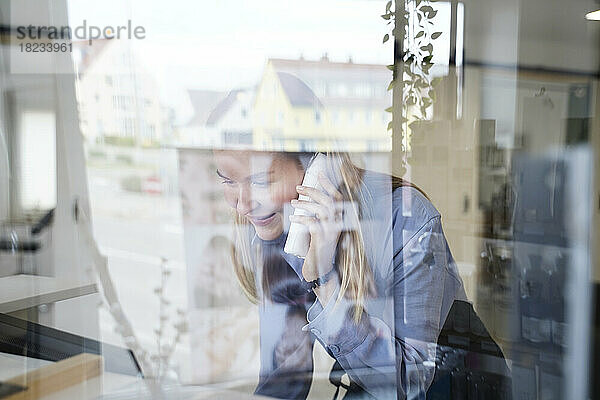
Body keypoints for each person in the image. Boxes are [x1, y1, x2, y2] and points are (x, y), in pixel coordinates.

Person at [212, 150, 505, 399]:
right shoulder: (273, 225)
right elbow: (284, 374)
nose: (242, 203)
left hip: (456, 385)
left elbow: (408, 384)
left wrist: (324, 279)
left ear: (313, 163)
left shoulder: (406, 217)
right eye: (227, 180)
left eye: (261, 180)